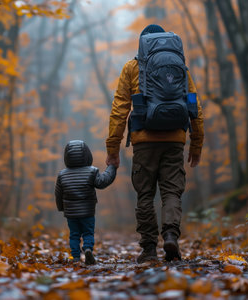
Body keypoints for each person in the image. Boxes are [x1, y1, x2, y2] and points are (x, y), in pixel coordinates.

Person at [105, 24, 204, 263]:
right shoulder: (180, 66)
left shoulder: (132, 67)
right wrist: (196, 143)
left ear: (143, 44)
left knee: (145, 194)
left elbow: (119, 109)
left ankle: (149, 249)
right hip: (174, 139)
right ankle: (170, 234)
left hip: (143, 140)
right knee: (171, 191)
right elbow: (194, 106)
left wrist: (113, 149)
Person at [55, 140, 117, 264]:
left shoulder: (62, 175)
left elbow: (58, 194)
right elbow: (103, 182)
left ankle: (76, 257)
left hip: (71, 213)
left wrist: (61, 208)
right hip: (88, 212)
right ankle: (88, 248)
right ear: (87, 155)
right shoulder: (92, 171)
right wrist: (112, 167)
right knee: (88, 232)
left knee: (74, 234)